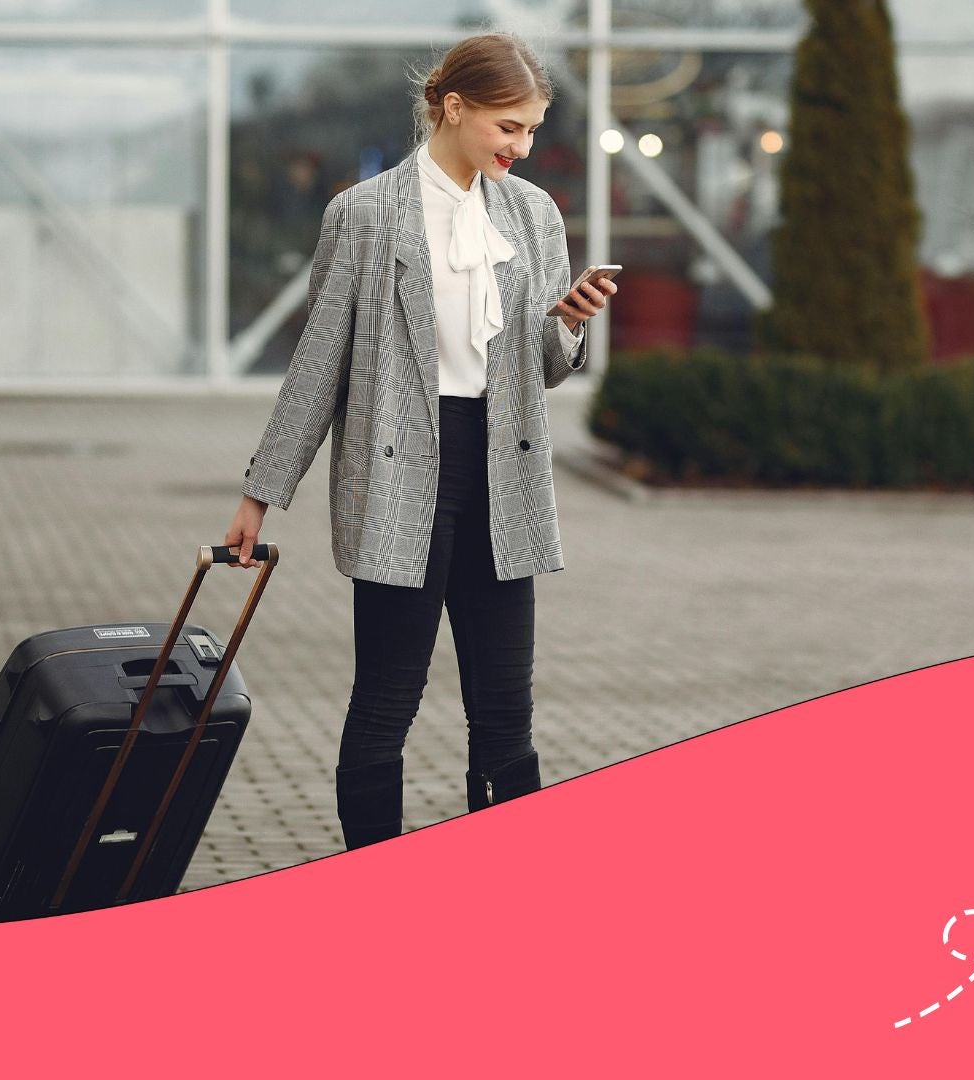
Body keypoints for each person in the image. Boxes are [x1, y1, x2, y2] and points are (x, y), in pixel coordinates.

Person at [223, 31, 616, 850]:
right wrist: (262, 494)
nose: (523, 146)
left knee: (507, 710)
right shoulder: (365, 214)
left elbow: (543, 369)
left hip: (501, 474)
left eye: (533, 130)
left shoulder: (533, 213)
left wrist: (570, 324)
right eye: (508, 127)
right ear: (454, 107)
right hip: (401, 474)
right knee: (387, 703)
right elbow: (317, 364)